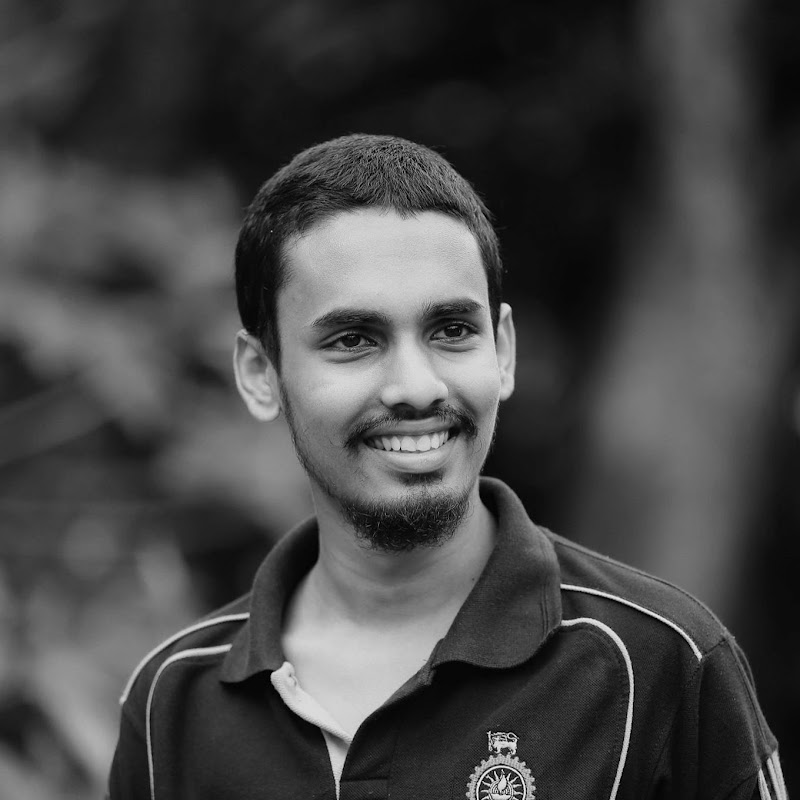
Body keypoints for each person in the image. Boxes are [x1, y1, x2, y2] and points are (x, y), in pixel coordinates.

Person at [108, 134, 786, 800]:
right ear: (261, 374)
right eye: (354, 339)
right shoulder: (173, 704)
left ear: (503, 351)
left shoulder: (660, 665)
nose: (417, 386)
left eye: (452, 331)